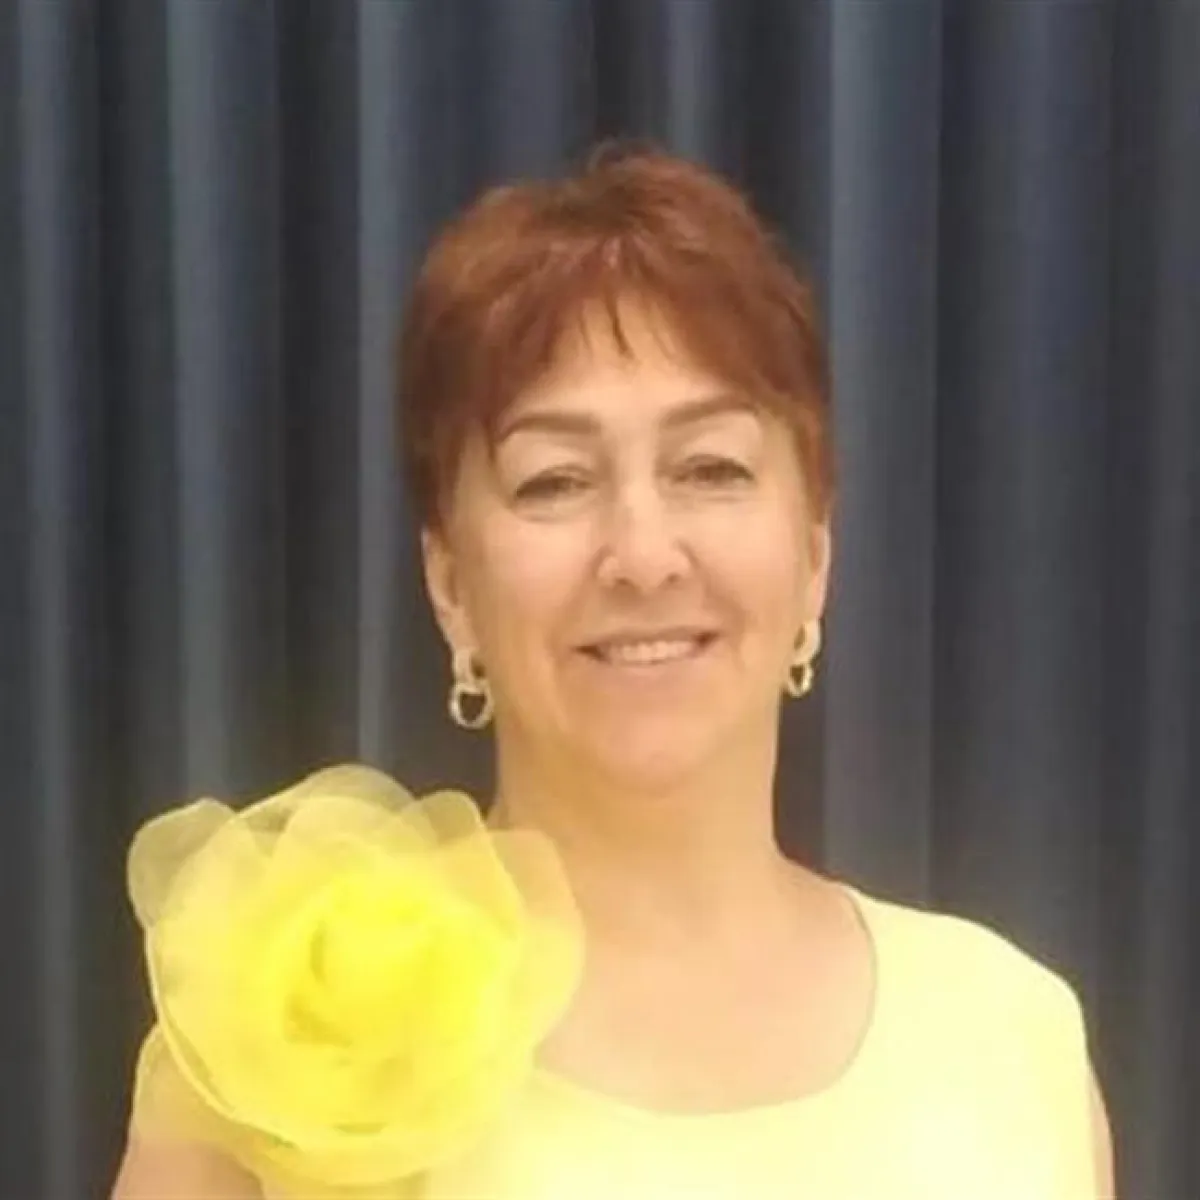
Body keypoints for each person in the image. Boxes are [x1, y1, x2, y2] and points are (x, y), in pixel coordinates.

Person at [112, 144, 1115, 1199]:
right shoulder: (281, 1043)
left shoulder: (1014, 1039)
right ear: (450, 582)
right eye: (554, 481)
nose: (642, 555)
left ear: (814, 554)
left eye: (711, 468)